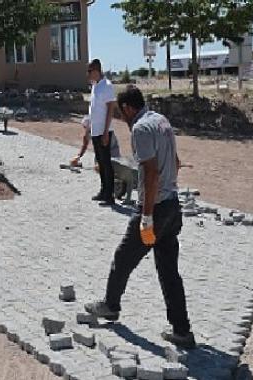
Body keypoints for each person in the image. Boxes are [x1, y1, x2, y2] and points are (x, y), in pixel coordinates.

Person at [84, 86, 196, 349]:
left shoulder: (141, 129)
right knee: (169, 272)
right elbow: (175, 163)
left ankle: (110, 306)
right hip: (172, 207)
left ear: (128, 108)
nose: (123, 119)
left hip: (154, 210)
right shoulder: (161, 121)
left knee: (123, 258)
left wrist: (146, 215)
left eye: (122, 114)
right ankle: (182, 331)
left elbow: (150, 174)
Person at [87, 59, 117, 206]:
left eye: (90, 71)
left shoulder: (107, 86)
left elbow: (111, 109)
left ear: (97, 70)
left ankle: (110, 195)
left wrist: (106, 132)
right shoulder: (95, 86)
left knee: (106, 162)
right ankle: (103, 190)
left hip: (104, 131)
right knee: (100, 162)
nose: (88, 74)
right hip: (95, 130)